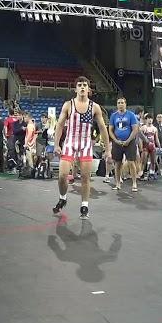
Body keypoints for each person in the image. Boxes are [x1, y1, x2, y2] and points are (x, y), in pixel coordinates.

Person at [53, 77, 111, 219]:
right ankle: (63, 197)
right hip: (69, 143)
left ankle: (84, 205)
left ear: (89, 89)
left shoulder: (95, 107)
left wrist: (108, 149)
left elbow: (103, 128)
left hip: (85, 144)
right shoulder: (68, 105)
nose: (82, 87)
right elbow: (60, 125)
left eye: (85, 85)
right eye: (80, 85)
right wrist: (56, 144)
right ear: (76, 89)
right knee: (62, 176)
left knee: (85, 177)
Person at [108, 96, 139, 192]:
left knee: (131, 162)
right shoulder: (114, 116)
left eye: (122, 102)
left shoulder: (131, 115)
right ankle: (117, 183)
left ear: (125, 104)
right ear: (117, 105)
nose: (120, 104)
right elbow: (110, 130)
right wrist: (116, 140)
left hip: (129, 142)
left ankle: (134, 183)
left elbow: (135, 129)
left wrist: (128, 140)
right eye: (119, 103)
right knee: (117, 163)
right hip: (117, 142)